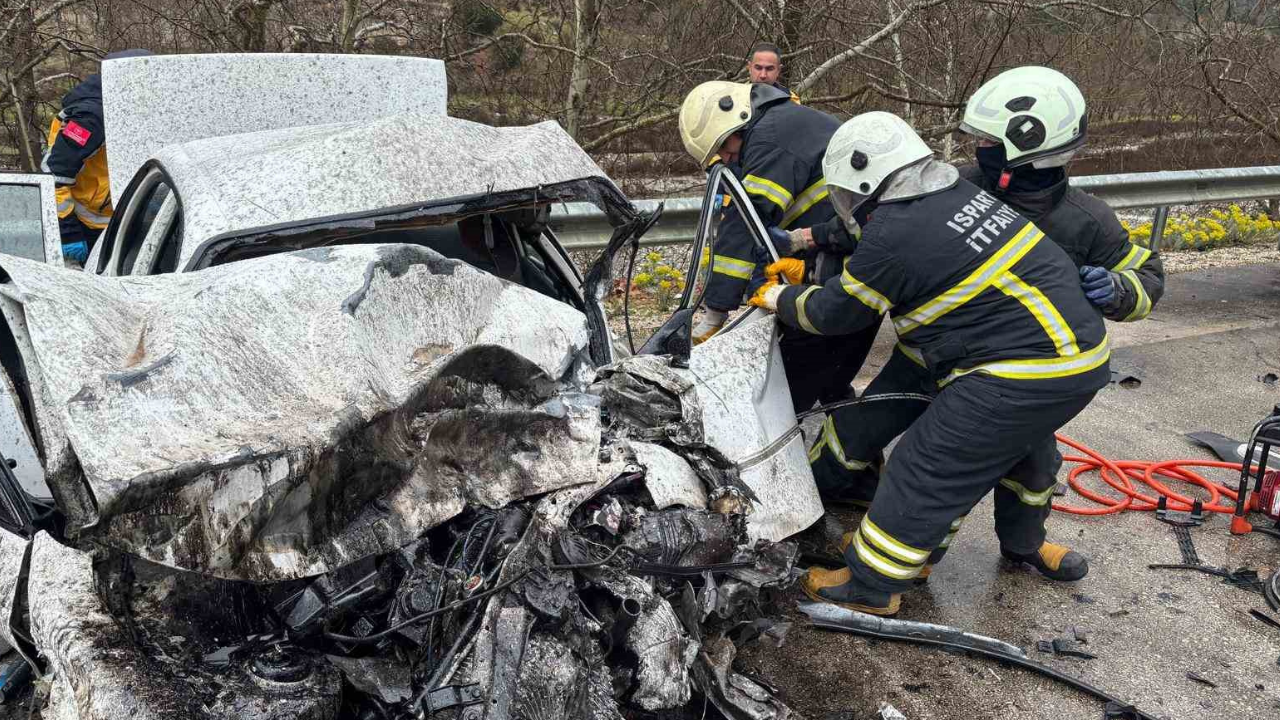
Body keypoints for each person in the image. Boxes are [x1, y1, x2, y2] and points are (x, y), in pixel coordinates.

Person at [751, 111, 1110, 615]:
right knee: (1022, 454)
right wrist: (807, 244)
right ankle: (985, 546)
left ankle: (872, 585)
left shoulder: (896, 231)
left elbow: (835, 313)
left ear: (865, 183)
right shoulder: (953, 194)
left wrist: (778, 296)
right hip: (1069, 361)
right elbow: (879, 238)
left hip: (1016, 370)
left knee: (927, 465)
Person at [806, 67, 1165, 556]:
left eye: (988, 140)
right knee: (857, 427)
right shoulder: (960, 183)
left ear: (1027, 144)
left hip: (1010, 372)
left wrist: (1120, 290)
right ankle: (810, 501)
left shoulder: (1085, 221)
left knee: (1029, 465)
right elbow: (884, 223)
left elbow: (1147, 276)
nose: (979, 148)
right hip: (926, 352)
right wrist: (815, 237)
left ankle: (1021, 546)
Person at [678, 80, 874, 411]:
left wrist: (714, 312)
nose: (726, 158)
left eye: (724, 147)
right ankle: (854, 458)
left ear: (736, 120)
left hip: (847, 277)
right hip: (858, 264)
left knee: (780, 402)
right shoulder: (784, 123)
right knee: (832, 389)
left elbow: (746, 219)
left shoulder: (770, 139)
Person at [41, 49, 152, 264]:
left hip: (117, 218)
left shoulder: (127, 108)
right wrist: (67, 231)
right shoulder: (92, 118)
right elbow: (54, 176)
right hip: (85, 225)